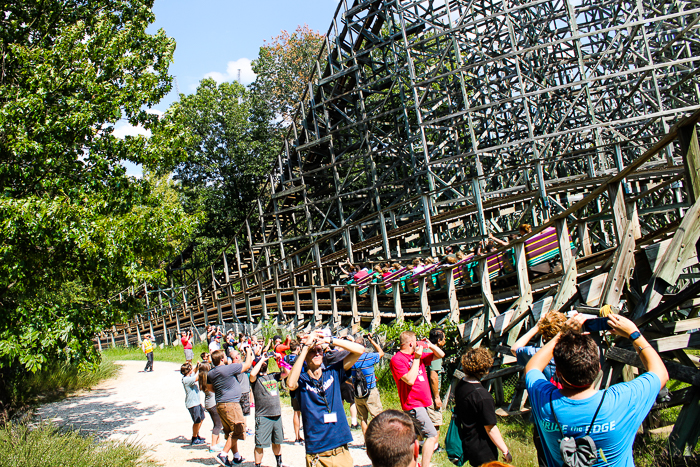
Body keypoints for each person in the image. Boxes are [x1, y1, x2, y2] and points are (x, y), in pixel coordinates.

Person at [525, 313, 669, 467]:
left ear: (558, 372)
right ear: (598, 368)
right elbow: (661, 373)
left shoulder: (544, 400)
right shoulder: (621, 400)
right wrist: (634, 333)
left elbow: (532, 367)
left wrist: (561, 334)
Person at [286, 330, 366, 467]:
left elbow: (360, 350)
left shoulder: (333, 372)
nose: (317, 353)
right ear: (305, 356)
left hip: (340, 449)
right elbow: (290, 384)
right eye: (313, 351)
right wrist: (306, 347)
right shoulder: (302, 380)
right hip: (317, 453)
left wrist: (330, 340)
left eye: (319, 351)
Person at [510, 311, 566, 467]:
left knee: (545, 459)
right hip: (570, 413)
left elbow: (515, 349)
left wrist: (535, 328)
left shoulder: (536, 354)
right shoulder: (573, 352)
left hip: (544, 415)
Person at [389, 331, 445, 467]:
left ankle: (409, 463)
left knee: (412, 438)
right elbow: (410, 379)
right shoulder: (397, 359)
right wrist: (417, 359)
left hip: (423, 403)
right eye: (415, 341)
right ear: (410, 343)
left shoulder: (416, 356)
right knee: (431, 435)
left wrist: (430, 345)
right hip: (413, 404)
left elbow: (441, 355)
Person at [455, 348, 512, 466]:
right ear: (485, 368)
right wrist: (505, 451)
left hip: (468, 440)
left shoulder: (461, 384)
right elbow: (490, 428)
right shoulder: (483, 396)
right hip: (483, 448)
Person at [208, 346, 254, 467]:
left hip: (220, 404)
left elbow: (209, 388)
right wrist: (249, 351)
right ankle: (223, 454)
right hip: (231, 405)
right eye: (225, 357)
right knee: (239, 429)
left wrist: (222, 390)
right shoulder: (228, 369)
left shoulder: (211, 373)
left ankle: (237, 456)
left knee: (230, 432)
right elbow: (247, 365)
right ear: (222, 360)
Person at [250, 352, 291, 467]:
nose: (263, 363)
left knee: (277, 441)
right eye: (260, 362)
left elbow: (287, 372)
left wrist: (280, 360)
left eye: (264, 362)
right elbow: (252, 374)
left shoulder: (273, 376)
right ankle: (257, 464)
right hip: (263, 415)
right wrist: (261, 359)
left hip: (276, 414)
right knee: (260, 444)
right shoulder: (256, 379)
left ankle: (279, 463)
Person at [351, 333, 384, 435]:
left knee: (363, 418)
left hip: (358, 393)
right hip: (370, 391)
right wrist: (372, 341)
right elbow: (381, 352)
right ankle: (377, 438)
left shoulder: (351, 360)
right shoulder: (369, 357)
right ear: (364, 346)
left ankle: (366, 440)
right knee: (377, 416)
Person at [198, 362, 225, 452]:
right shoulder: (209, 380)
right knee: (218, 424)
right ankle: (213, 445)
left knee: (217, 423)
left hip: (209, 403)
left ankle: (218, 442)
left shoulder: (202, 379)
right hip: (213, 404)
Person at [426, 328, 446, 450]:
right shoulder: (436, 354)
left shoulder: (426, 349)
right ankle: (435, 446)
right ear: (439, 340)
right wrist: (437, 397)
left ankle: (424, 444)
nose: (445, 341)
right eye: (444, 339)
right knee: (435, 420)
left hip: (423, 391)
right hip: (431, 394)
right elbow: (434, 377)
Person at [181, 362, 207, 445]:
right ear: (188, 371)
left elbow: (194, 373)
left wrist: (198, 367)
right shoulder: (186, 380)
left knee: (202, 417)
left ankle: (197, 434)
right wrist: (204, 370)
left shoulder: (189, 376)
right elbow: (197, 378)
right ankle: (194, 438)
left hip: (197, 402)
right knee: (197, 421)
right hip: (192, 404)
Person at [285, 340, 304, 445]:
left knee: (296, 412)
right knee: (305, 412)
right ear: (298, 348)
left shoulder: (286, 358)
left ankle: (297, 437)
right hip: (300, 385)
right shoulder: (300, 359)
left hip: (291, 386)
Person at [229, 349, 252, 435]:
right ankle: (244, 429)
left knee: (238, 411)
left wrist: (243, 354)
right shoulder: (240, 366)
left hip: (236, 391)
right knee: (245, 412)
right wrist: (249, 352)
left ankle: (238, 427)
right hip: (244, 391)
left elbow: (242, 362)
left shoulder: (231, 366)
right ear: (236, 357)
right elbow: (248, 364)